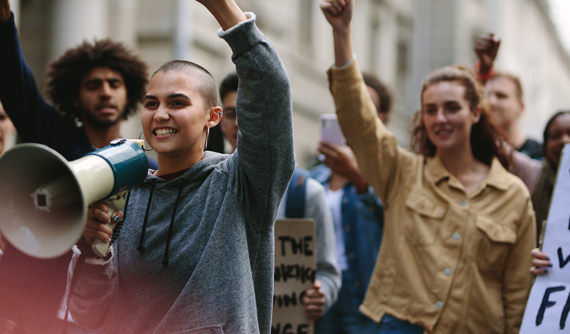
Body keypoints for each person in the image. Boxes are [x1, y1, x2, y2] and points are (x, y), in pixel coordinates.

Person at [68, 1, 295, 333]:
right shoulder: (121, 194)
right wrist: (92, 253)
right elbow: (88, 315)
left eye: (177, 102)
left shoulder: (240, 183)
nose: (160, 114)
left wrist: (226, 11)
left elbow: (270, 98)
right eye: (151, 104)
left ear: (213, 117)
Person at [323, 1, 536, 333]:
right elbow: (359, 120)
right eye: (431, 109)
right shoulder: (403, 173)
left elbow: (517, 293)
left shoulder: (514, 195)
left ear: (475, 113)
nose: (440, 119)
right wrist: (341, 32)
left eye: (452, 107)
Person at [0, 1, 155, 332]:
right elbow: (15, 84)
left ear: (128, 95)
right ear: (74, 97)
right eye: (93, 84)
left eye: (114, 84)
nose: (105, 92)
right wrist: (3, 23)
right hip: (35, 310)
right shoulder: (51, 135)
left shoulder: (147, 169)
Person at [218, 71, 341, 320]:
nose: (239, 123)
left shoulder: (307, 193)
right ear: (219, 120)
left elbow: (328, 272)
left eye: (250, 111)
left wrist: (321, 294)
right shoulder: (209, 185)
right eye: (231, 113)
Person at [311, 71, 387, 333]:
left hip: (364, 291)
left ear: (381, 118)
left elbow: (391, 218)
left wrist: (356, 175)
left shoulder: (387, 172)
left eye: (365, 106)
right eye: (349, 105)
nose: (355, 114)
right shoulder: (316, 178)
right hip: (322, 288)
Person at [474, 34, 542, 159]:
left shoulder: (539, 154)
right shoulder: (477, 152)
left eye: (501, 96)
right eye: (487, 95)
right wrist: (484, 70)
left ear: (520, 106)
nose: (491, 101)